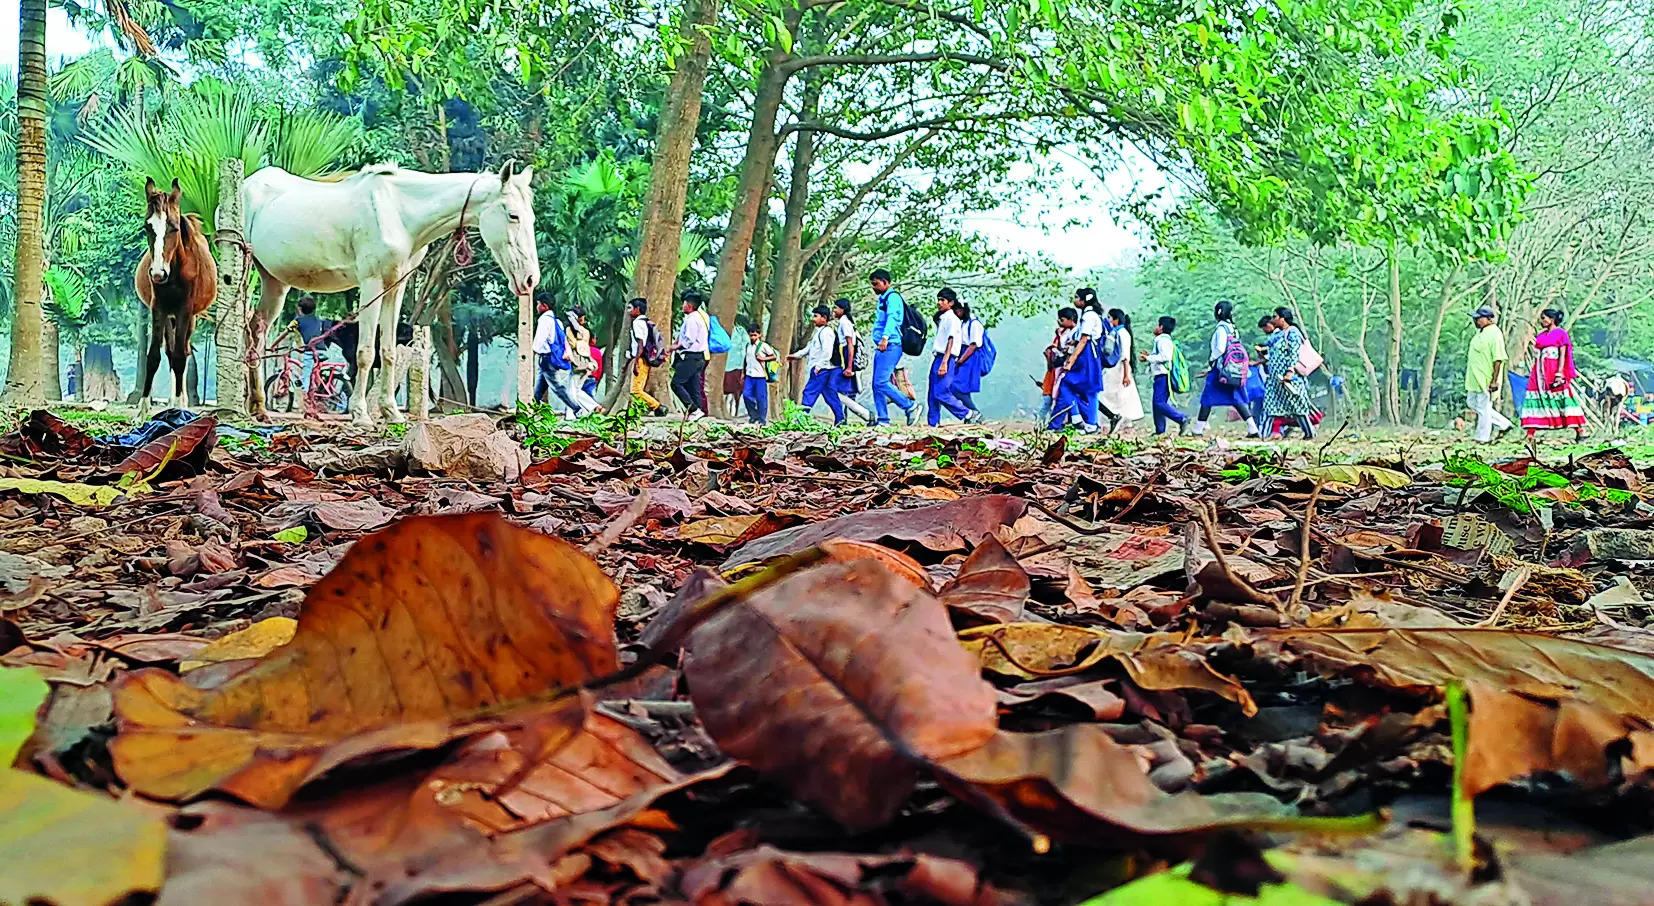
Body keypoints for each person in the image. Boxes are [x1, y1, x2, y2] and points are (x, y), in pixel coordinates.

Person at [1194, 300, 1258, 437]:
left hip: (1221, 369)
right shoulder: (1233, 329)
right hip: (1233, 369)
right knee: (1237, 398)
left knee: (1207, 397)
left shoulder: (1221, 329)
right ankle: (1253, 428)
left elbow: (1220, 348)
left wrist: (1211, 360)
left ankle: (1198, 429)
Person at [1520, 308, 1586, 440]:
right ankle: (1530, 433)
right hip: (1539, 372)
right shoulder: (1541, 336)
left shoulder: (1561, 334)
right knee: (1536, 396)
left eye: (1544, 318)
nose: (1542, 321)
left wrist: (1560, 372)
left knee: (1563, 396)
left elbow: (1563, 354)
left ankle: (1580, 429)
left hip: (1553, 369)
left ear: (1552, 319)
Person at [869, 269, 919, 426]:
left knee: (881, 382)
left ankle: (910, 406)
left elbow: (893, 319)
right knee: (876, 384)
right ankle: (883, 420)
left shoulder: (893, 298)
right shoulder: (882, 299)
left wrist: (885, 338)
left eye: (876, 284)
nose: (874, 287)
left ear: (885, 282)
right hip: (882, 346)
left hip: (890, 345)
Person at [1263, 307, 1316, 438]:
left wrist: (1290, 370)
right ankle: (1263, 435)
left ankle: (1310, 433)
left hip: (1289, 379)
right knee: (1269, 407)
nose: (1273, 319)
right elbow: (1268, 344)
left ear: (1283, 318)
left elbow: (1294, 353)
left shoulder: (1292, 332)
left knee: (1298, 407)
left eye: (1275, 316)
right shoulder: (1277, 334)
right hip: (1275, 379)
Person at [790, 304, 847, 425]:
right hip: (821, 368)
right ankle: (841, 419)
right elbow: (809, 348)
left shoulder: (827, 333)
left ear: (824, 318)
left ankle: (801, 418)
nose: (813, 319)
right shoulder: (819, 333)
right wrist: (795, 356)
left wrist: (819, 367)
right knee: (829, 395)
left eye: (816, 316)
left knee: (809, 392)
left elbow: (827, 352)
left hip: (821, 369)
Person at [532, 297, 587, 416]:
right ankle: (532, 408)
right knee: (539, 387)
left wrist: (532, 352)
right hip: (551, 358)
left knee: (557, 387)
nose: (537, 307)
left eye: (538, 304)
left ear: (545, 306)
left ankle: (577, 409)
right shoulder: (557, 321)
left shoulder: (545, 320)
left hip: (547, 358)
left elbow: (540, 339)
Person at [1465, 305, 1511, 444]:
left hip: (1486, 377)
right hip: (1474, 377)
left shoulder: (1495, 333)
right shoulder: (1481, 333)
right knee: (1472, 403)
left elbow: (1498, 358)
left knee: (1483, 407)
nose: (1476, 321)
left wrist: (1494, 380)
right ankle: (1503, 424)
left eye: (1479, 318)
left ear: (1489, 319)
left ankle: (1482, 437)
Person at [929, 288, 974, 427]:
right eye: (938, 299)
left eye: (942, 300)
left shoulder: (952, 319)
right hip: (938, 357)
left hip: (946, 357)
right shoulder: (944, 318)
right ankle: (933, 423)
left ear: (951, 302)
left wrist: (945, 362)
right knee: (932, 394)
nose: (939, 303)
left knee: (941, 392)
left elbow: (951, 340)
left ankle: (966, 413)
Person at [833, 298, 877, 425]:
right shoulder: (844, 322)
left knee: (840, 391)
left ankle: (867, 415)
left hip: (846, 356)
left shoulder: (845, 323)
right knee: (846, 392)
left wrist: (849, 366)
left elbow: (851, 345)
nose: (834, 311)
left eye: (836, 308)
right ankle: (843, 419)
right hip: (845, 356)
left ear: (842, 309)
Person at [1141, 316, 1188, 435]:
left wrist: (1149, 358)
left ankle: (1181, 418)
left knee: (1159, 403)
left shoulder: (1162, 340)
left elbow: (1165, 357)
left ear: (1161, 327)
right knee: (1157, 404)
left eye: (1157, 325)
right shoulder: (1164, 340)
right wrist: (1150, 357)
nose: (1155, 327)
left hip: (1163, 375)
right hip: (1160, 376)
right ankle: (1159, 431)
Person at [1099, 308, 1144, 430]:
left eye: (1109, 318)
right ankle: (1115, 419)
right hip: (1115, 368)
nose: (1108, 320)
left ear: (1116, 320)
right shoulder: (1116, 333)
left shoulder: (1122, 334)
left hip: (1119, 368)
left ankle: (1122, 420)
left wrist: (1125, 374)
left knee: (1119, 395)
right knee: (1114, 394)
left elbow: (1125, 356)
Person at [669, 290, 710, 420]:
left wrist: (675, 347)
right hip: (699, 357)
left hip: (691, 356)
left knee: (676, 383)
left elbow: (689, 340)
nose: (682, 306)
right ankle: (697, 413)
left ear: (689, 305)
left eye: (684, 304)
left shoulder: (693, 319)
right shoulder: (697, 317)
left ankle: (693, 408)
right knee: (693, 386)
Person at [625, 297, 665, 416]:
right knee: (638, 388)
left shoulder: (637, 323)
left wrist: (636, 362)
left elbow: (640, 343)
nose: (628, 311)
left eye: (630, 308)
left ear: (637, 309)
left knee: (636, 391)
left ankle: (658, 407)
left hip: (641, 359)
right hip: (645, 359)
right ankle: (636, 411)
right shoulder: (646, 322)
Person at [951, 301, 987, 423]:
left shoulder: (975, 324)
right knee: (959, 388)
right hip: (962, 354)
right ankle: (970, 415)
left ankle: (974, 412)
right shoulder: (963, 323)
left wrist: (961, 360)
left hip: (969, 358)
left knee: (958, 387)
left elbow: (974, 345)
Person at [564, 305, 603, 416]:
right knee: (576, 390)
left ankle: (571, 416)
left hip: (576, 363)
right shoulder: (586, 331)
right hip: (586, 363)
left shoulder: (569, 330)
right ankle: (593, 406)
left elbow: (573, 344)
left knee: (571, 391)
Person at [741, 325, 778, 425]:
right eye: (751, 335)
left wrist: (763, 359)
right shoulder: (748, 346)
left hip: (760, 376)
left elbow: (773, 356)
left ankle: (762, 419)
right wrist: (743, 372)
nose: (753, 337)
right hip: (749, 375)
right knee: (746, 395)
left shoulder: (763, 346)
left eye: (755, 335)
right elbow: (746, 359)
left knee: (761, 398)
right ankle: (753, 415)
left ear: (759, 335)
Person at [722, 320, 749, 419]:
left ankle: (736, 412)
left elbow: (746, 345)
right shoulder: (722, 329)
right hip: (726, 366)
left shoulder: (740, 331)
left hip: (737, 366)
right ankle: (727, 410)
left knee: (736, 391)